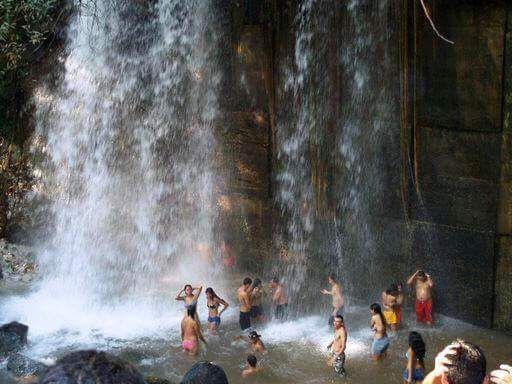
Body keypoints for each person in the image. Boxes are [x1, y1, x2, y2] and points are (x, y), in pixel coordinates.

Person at [326, 314, 347, 378]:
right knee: (337, 369)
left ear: (341, 323)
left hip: (339, 355)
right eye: (334, 321)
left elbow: (344, 347)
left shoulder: (342, 332)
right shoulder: (336, 328)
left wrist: (334, 358)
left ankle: (345, 380)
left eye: (337, 321)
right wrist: (331, 343)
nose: (335, 323)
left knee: (339, 372)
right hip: (335, 353)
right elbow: (336, 339)